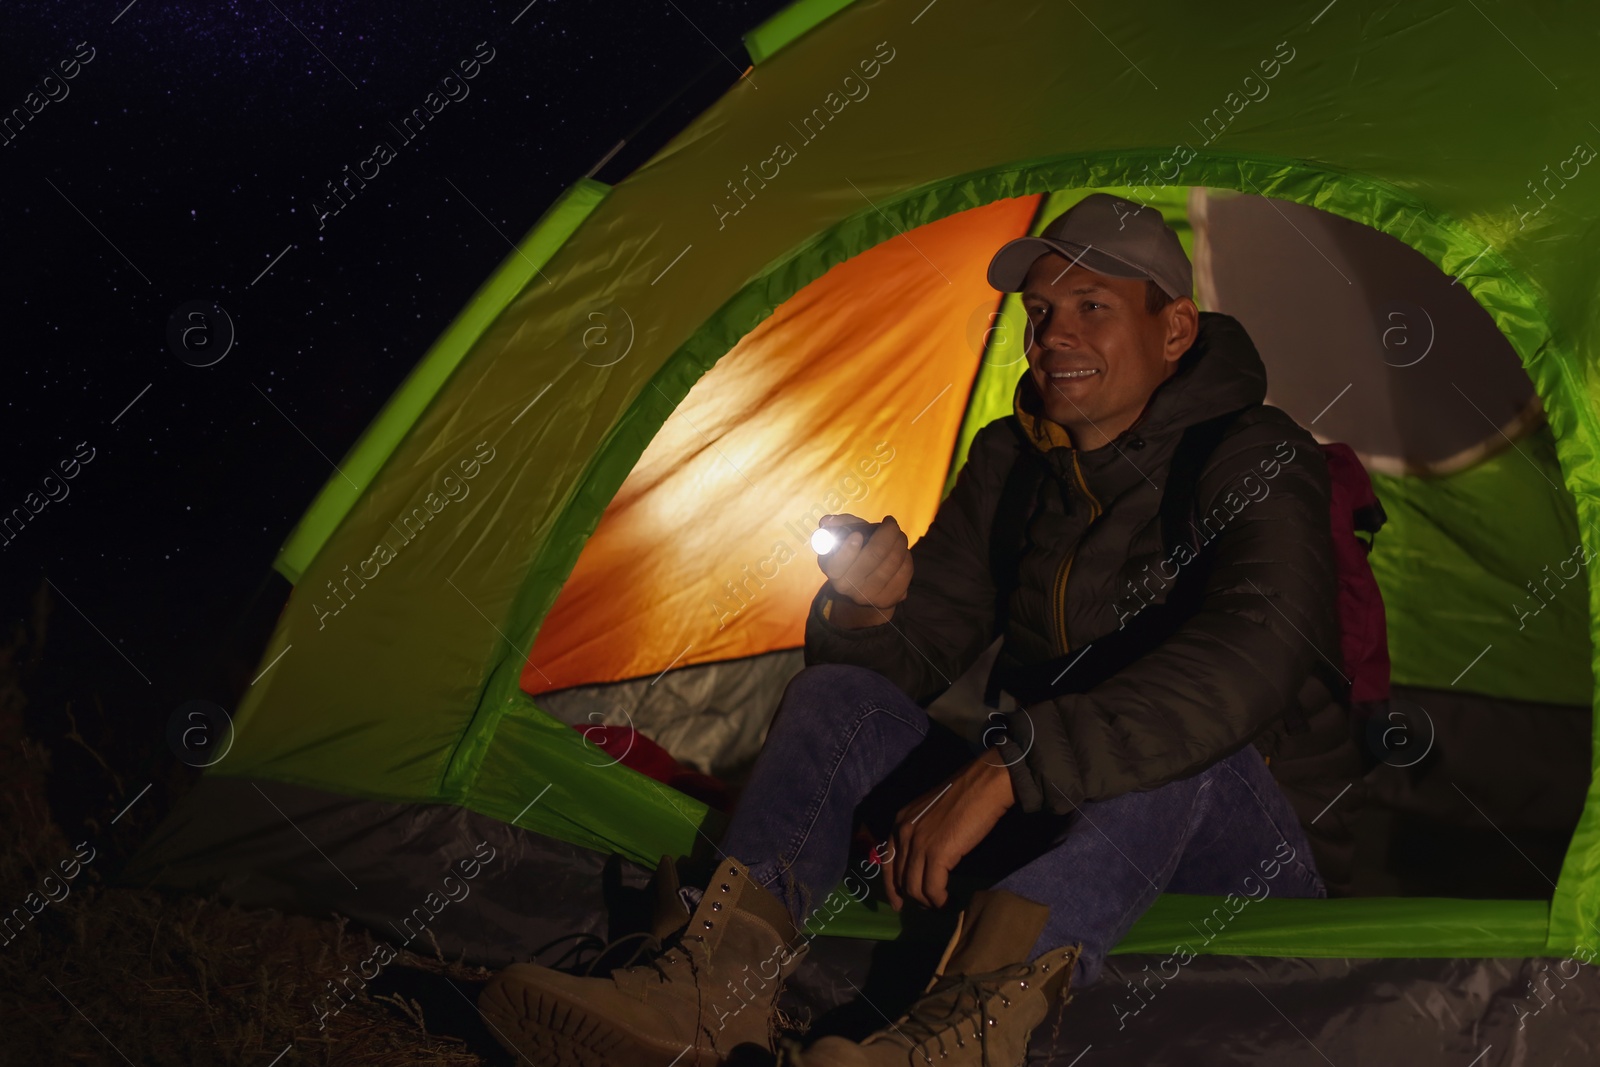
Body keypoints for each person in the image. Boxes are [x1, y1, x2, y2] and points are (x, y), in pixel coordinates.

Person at [480, 193, 1361, 1066]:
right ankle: (712, 991)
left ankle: (961, 1034)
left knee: (1192, 750)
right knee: (839, 696)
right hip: (1053, 824)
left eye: (1093, 307)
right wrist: (865, 610)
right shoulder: (1013, 460)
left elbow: (1252, 652)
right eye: (1041, 311)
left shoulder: (1255, 453)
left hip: (1234, 855)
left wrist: (1010, 764)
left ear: (1174, 331)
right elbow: (905, 662)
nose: (1054, 335)